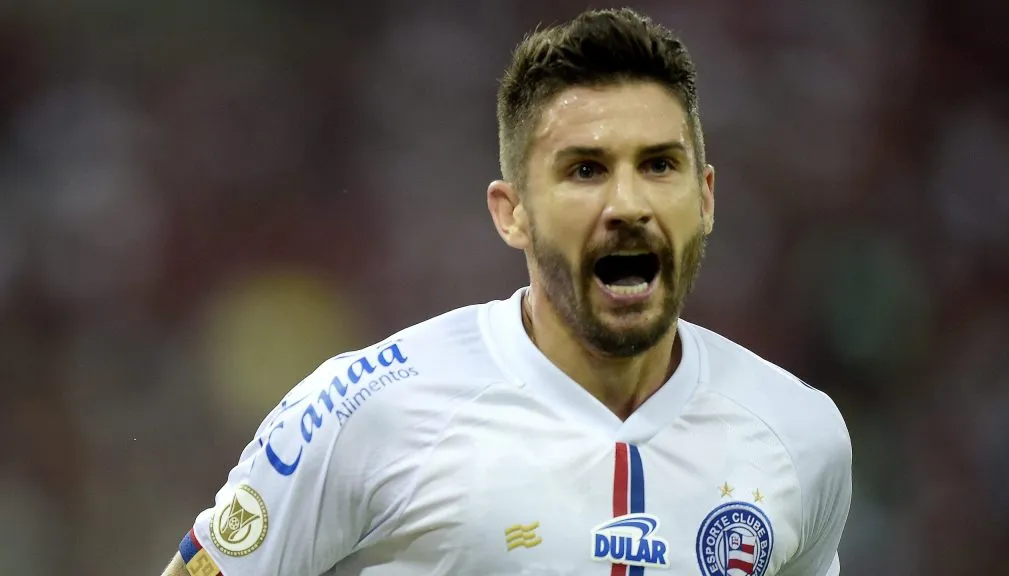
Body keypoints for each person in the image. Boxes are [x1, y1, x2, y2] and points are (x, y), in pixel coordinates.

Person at [162, 7, 852, 576]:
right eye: (585, 169)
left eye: (659, 165)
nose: (628, 203)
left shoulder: (798, 435)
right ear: (511, 211)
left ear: (705, 198)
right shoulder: (367, 410)